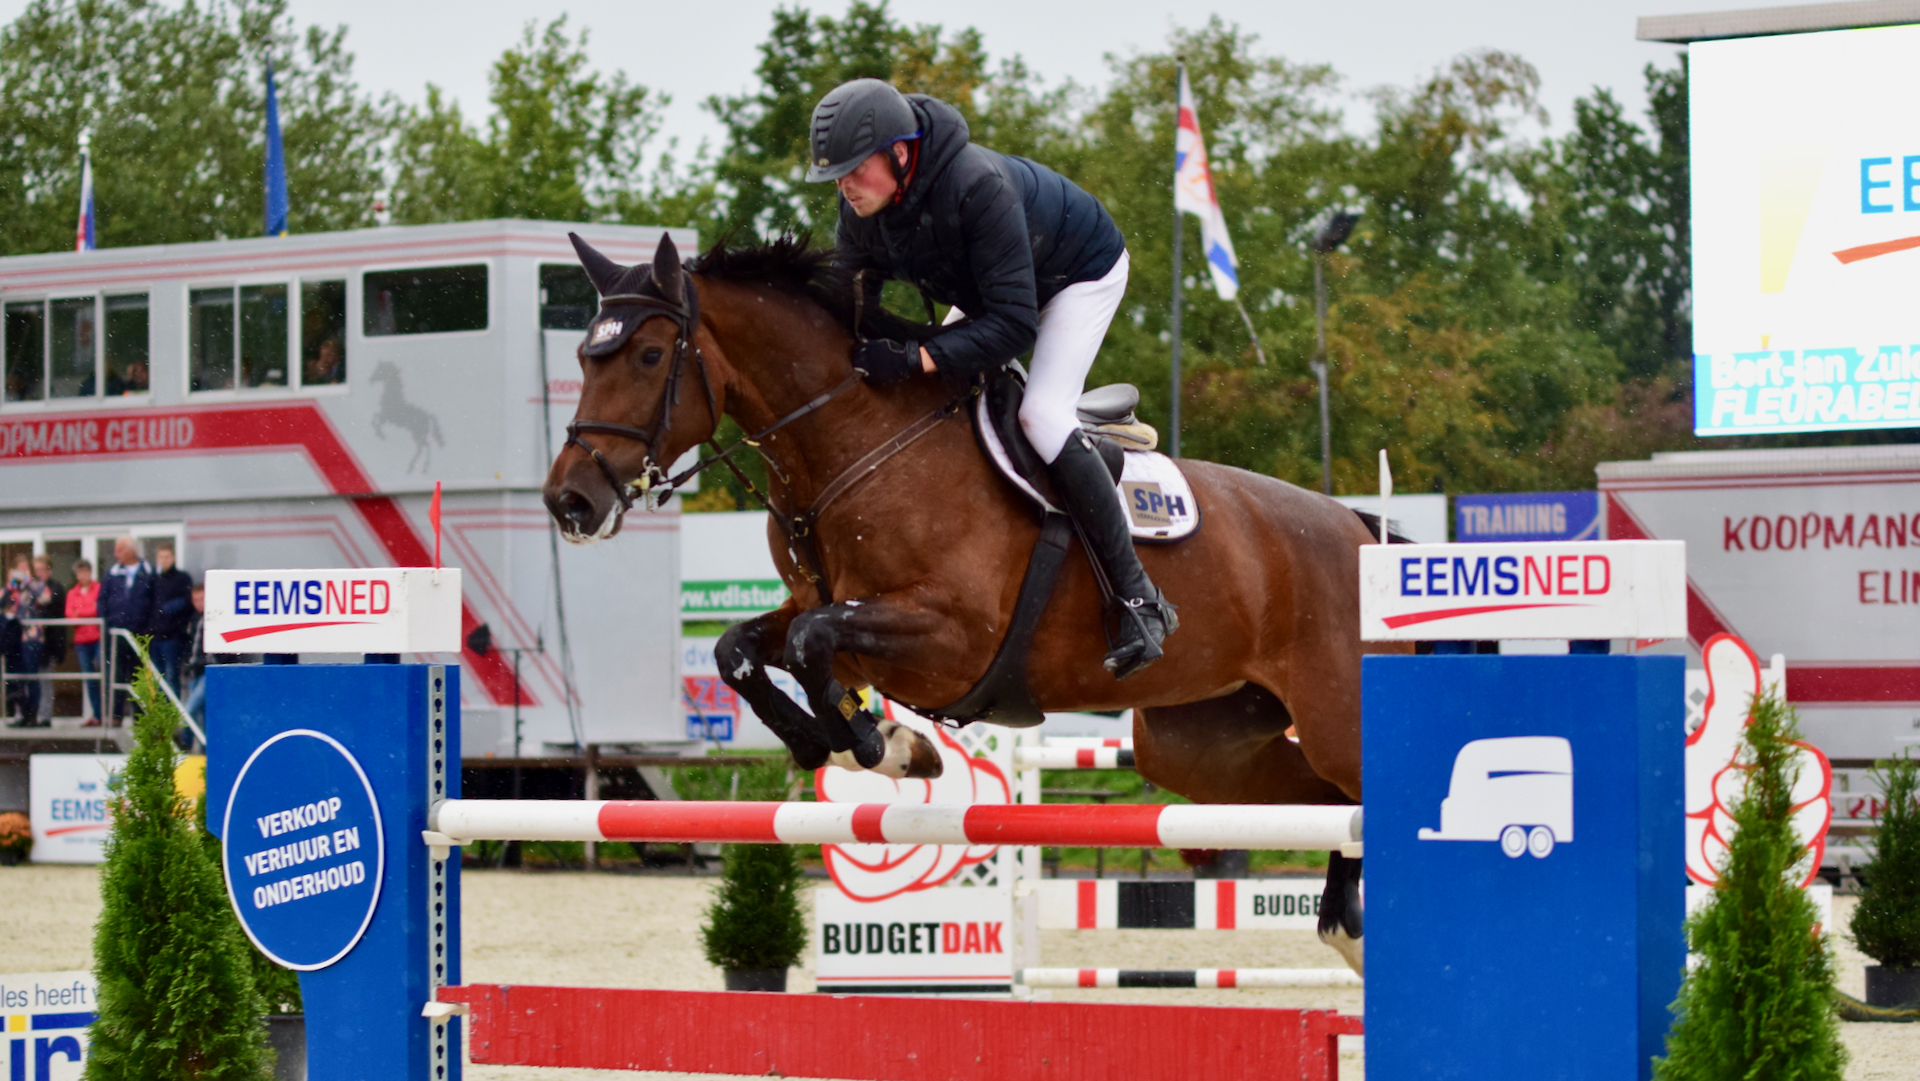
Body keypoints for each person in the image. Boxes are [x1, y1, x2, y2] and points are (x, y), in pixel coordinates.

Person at [805, 78, 1176, 677]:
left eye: (854, 169)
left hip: (1077, 275)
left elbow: (1011, 326)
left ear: (900, 153)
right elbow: (849, 312)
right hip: (995, 289)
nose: (844, 186)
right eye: (836, 175)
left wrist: (914, 356)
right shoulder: (864, 212)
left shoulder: (975, 186)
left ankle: (1138, 599)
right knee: (937, 394)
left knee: (1040, 415)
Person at [98, 536, 153, 720]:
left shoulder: (147, 572)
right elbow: (102, 601)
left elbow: (153, 602)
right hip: (116, 635)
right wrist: (107, 625)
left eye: (120, 550)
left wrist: (147, 627)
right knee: (116, 674)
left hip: (139, 634)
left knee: (138, 676)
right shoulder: (112, 573)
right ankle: (115, 715)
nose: (116, 554)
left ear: (131, 551)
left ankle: (140, 717)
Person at [4, 555, 51, 726]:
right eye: (19, 569)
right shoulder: (12, 589)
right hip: (14, 639)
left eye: (25, 569)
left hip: (32, 637)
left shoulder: (35, 586)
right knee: (16, 678)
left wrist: (28, 582)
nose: (22, 572)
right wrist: (12, 585)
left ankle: (33, 714)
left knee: (32, 676)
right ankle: (21, 713)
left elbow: (46, 599)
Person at [148, 545, 193, 694]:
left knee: (172, 676)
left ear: (173, 558)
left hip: (174, 638)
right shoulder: (154, 580)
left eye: (167, 557)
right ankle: (162, 713)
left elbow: (186, 604)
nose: (164, 560)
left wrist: (172, 618)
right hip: (156, 637)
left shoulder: (182, 579)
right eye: (161, 557)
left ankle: (173, 713)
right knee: (157, 677)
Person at [66, 559, 102, 724]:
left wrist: (81, 612)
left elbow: (99, 609)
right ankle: (96, 715)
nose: (83, 575)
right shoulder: (72, 593)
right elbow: (69, 614)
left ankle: (107, 714)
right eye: (80, 572)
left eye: (86, 572)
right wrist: (88, 612)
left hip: (98, 638)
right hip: (81, 641)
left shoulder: (98, 588)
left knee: (104, 675)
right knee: (90, 678)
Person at [32, 555, 66, 724]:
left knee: (45, 680)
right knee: (34, 679)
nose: (39, 573)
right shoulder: (33, 587)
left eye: (42, 569)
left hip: (50, 642)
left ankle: (45, 716)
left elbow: (49, 604)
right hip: (34, 642)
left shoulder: (56, 587)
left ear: (49, 570)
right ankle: (32, 714)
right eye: (36, 569)